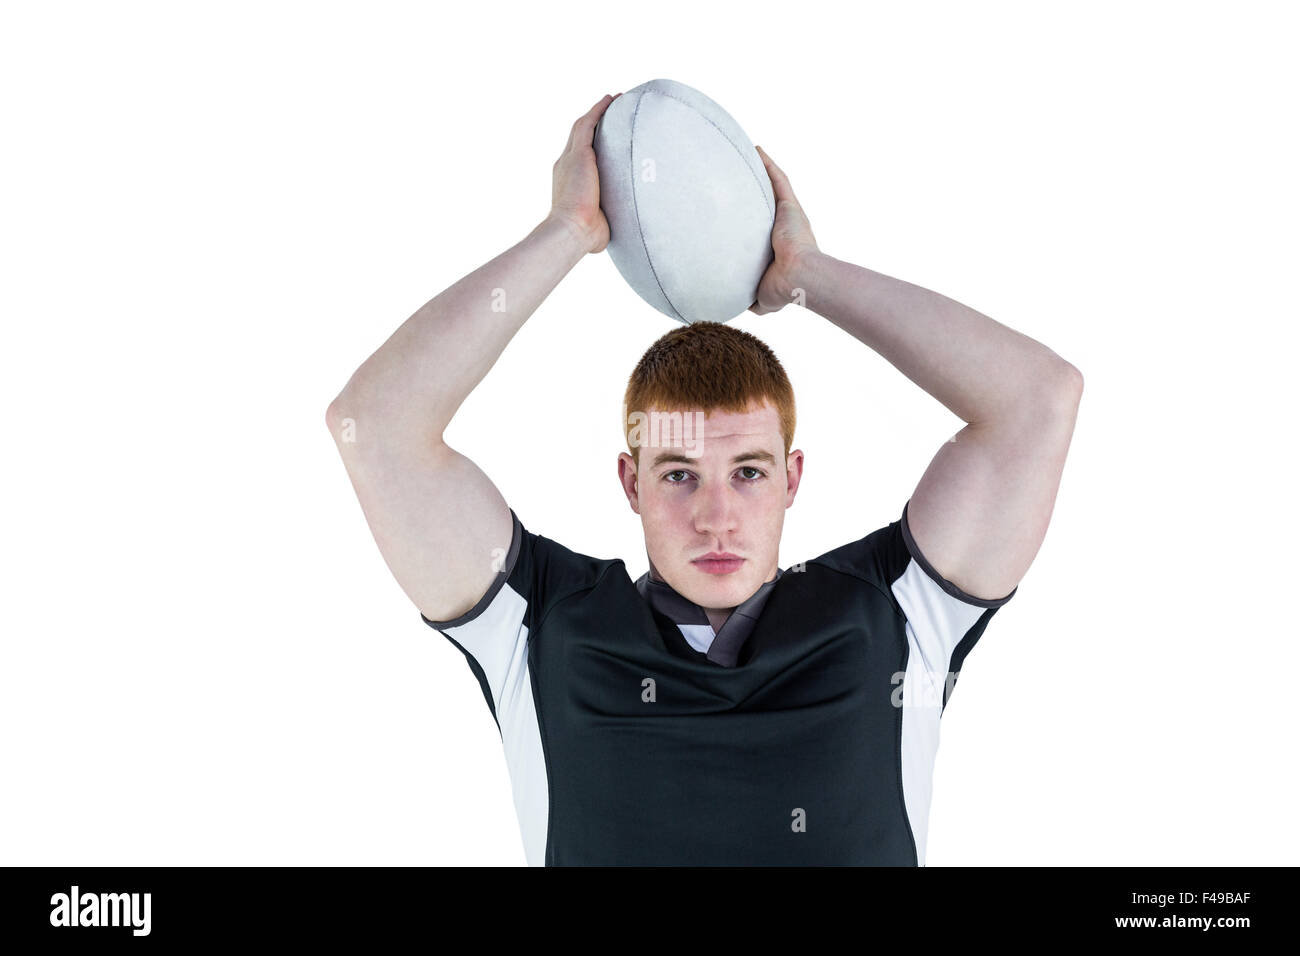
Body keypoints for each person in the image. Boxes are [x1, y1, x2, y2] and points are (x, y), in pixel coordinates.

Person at [325, 93, 1083, 866]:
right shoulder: (538, 626)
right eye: (679, 474)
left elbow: (1038, 402)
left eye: (747, 472)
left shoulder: (895, 615)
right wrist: (569, 232)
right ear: (631, 482)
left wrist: (808, 277)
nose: (716, 517)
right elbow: (376, 426)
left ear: (792, 478)